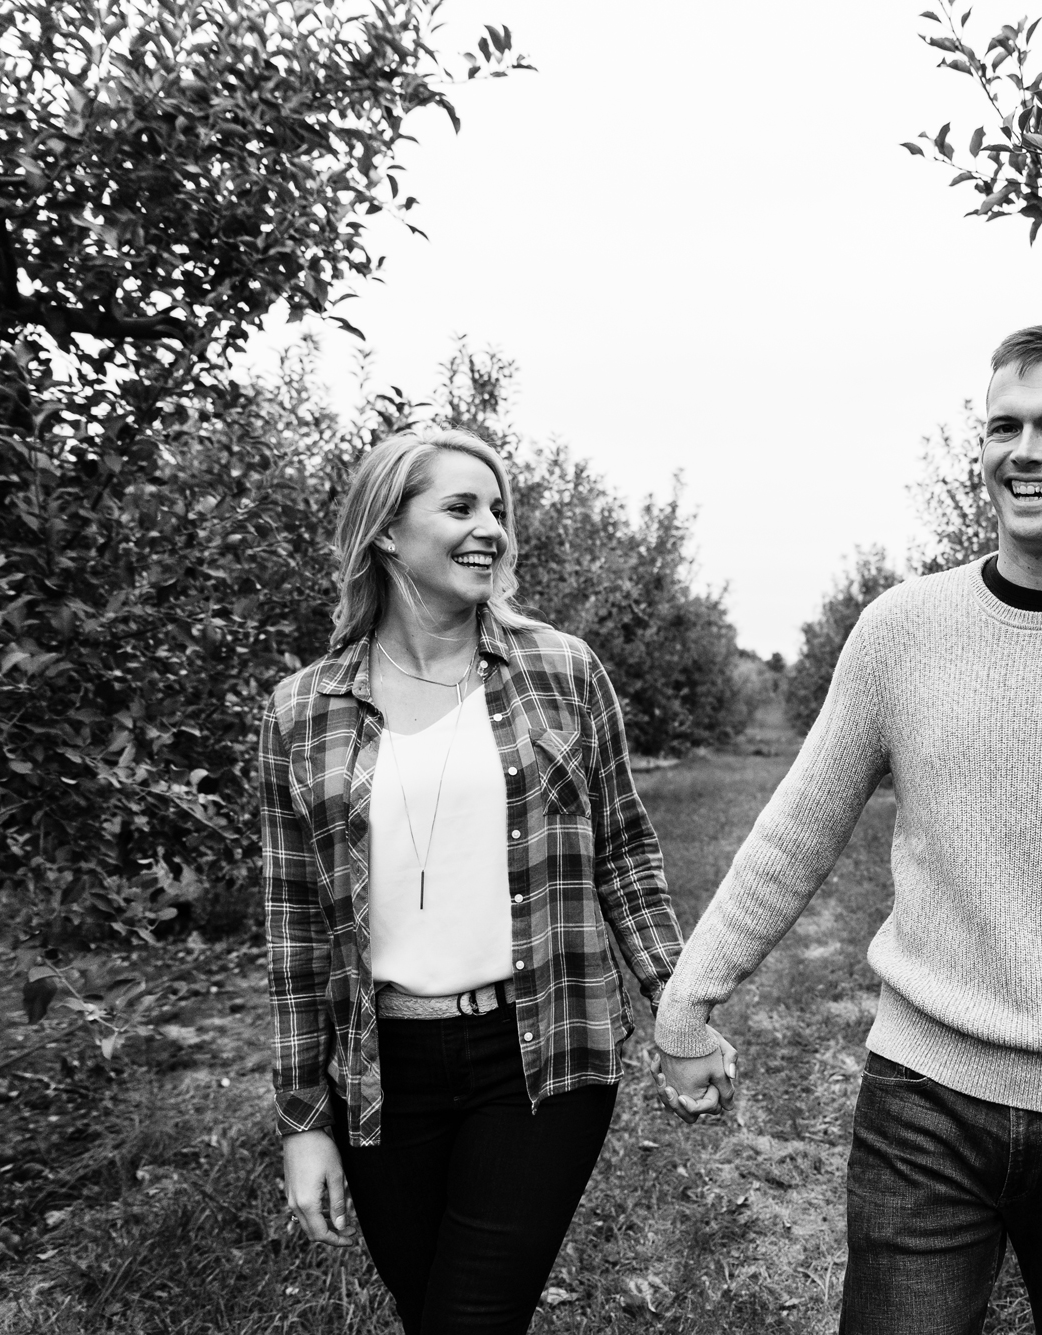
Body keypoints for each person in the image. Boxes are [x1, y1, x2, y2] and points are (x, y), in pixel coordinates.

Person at [653, 327, 1042, 1335]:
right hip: (922, 1103)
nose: (1022, 449)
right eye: (1002, 426)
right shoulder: (901, 630)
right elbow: (795, 831)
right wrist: (690, 997)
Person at [258, 428, 734, 1333]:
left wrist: (682, 1007)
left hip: (541, 1051)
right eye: (462, 507)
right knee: (434, 1309)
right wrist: (303, 1121)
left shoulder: (562, 672)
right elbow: (293, 936)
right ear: (387, 532)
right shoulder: (300, 710)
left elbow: (626, 853)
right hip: (381, 1070)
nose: (493, 531)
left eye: (501, 511)